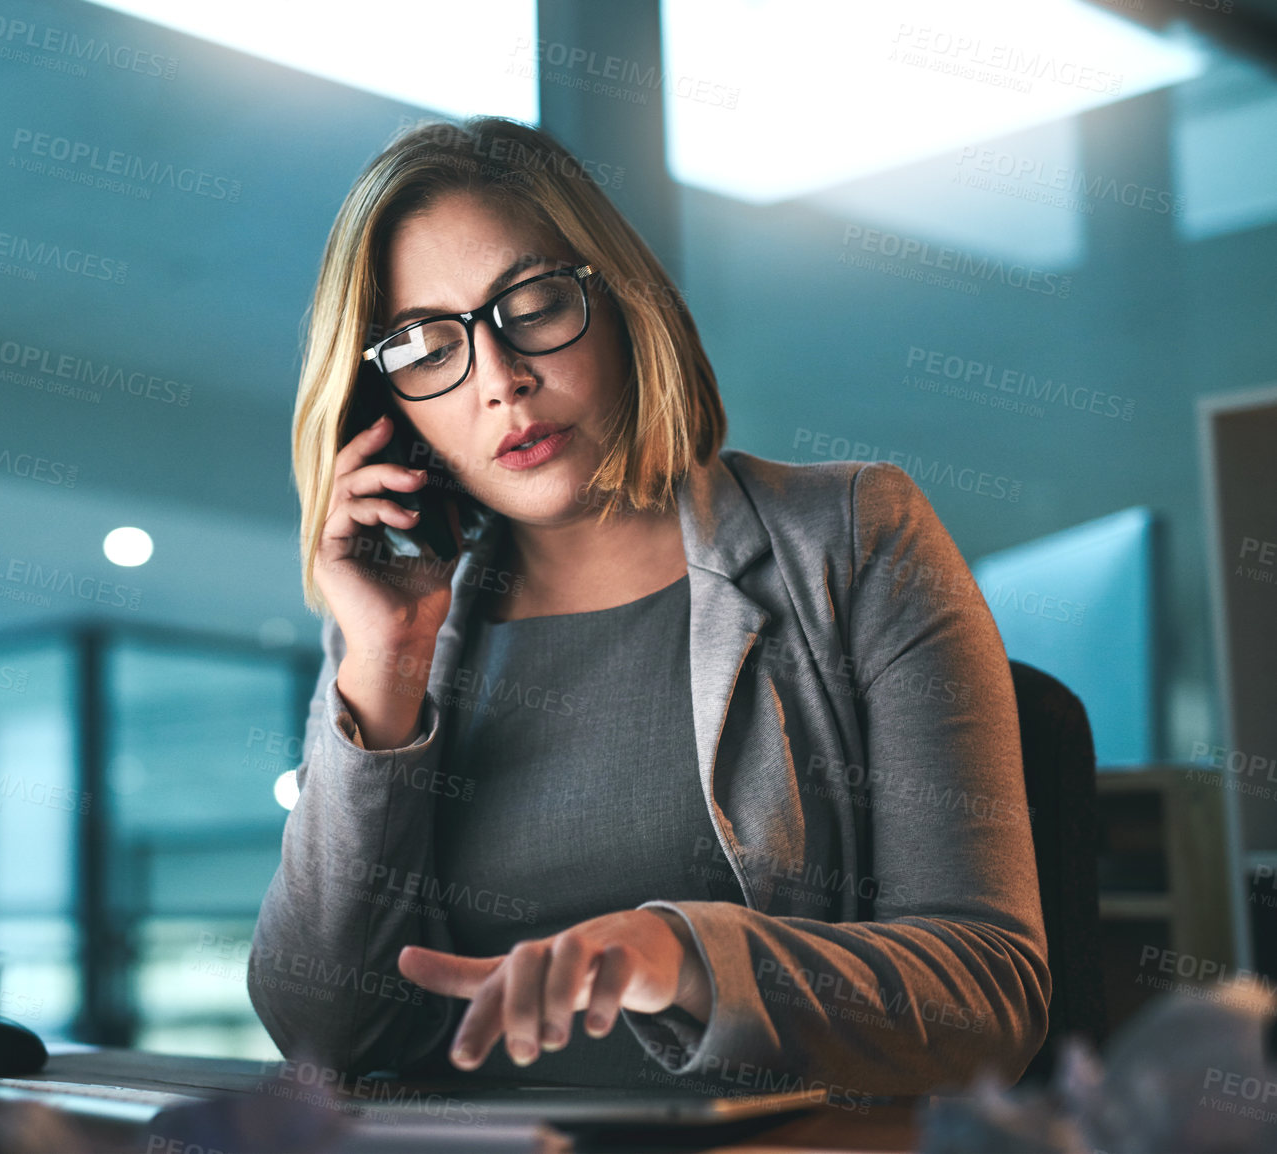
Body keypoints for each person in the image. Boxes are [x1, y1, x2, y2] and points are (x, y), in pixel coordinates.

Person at [249, 115, 1049, 1100]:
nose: (498, 378)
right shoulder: (395, 628)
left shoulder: (851, 536)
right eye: (423, 344)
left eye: (531, 302)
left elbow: (986, 1000)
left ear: (616, 297)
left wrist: (680, 955)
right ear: (389, 408)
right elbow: (320, 1030)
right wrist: (386, 660)